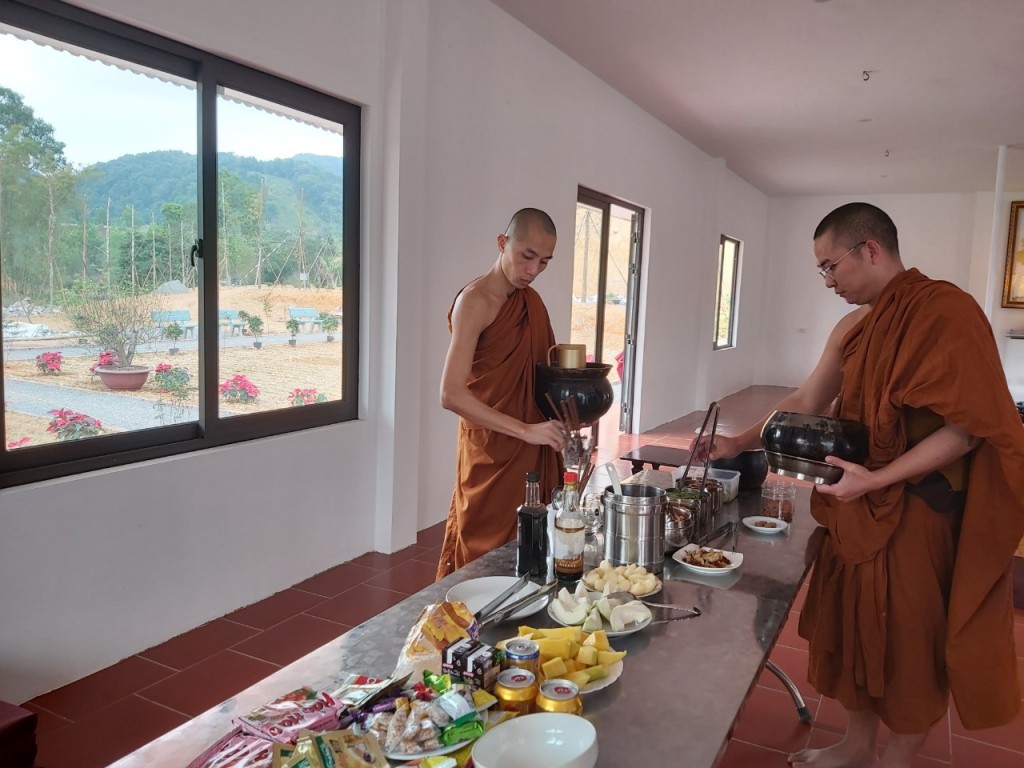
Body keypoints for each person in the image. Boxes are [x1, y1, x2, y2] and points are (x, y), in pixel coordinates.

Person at [694, 202, 1024, 768]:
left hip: (917, 511)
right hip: (856, 504)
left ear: (870, 249)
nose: (828, 281)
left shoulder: (947, 312)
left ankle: (893, 762)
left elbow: (968, 430)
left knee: (911, 643)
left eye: (830, 266)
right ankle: (856, 745)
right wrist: (739, 441)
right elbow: (807, 399)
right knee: (855, 632)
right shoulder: (853, 326)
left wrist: (879, 478)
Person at [435, 208, 566, 579]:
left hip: (531, 450)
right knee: (481, 563)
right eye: (527, 256)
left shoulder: (532, 304)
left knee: (532, 551)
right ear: (502, 243)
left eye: (544, 262)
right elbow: (450, 394)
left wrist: (572, 408)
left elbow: (541, 376)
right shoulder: (475, 301)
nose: (533, 270)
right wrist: (525, 430)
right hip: (491, 451)